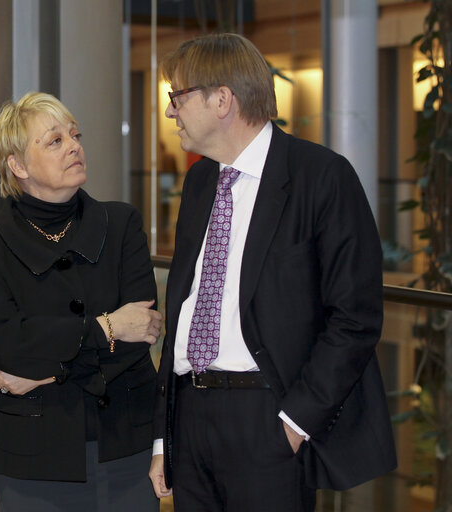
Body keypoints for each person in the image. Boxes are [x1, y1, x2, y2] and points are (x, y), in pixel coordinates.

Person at [148, 33, 397, 511]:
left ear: (222, 100)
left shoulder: (321, 176)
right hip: (191, 413)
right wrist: (165, 435)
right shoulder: (200, 180)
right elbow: (185, 306)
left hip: (268, 418)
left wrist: (294, 423)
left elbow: (355, 317)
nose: (169, 112)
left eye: (176, 97)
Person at [0, 91, 162, 511]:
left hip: (125, 445)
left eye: (75, 135)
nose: (74, 146)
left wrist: (44, 373)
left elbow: (139, 334)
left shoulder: (122, 223)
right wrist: (106, 328)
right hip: (33, 458)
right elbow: (12, 347)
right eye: (54, 140)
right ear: (17, 165)